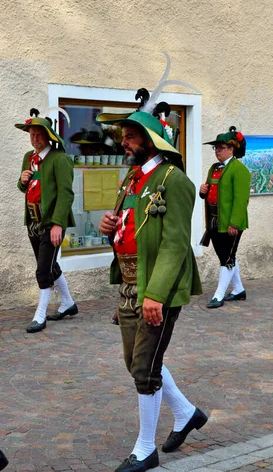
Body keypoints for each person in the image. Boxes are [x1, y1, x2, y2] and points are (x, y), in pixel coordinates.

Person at [98, 93, 205, 472]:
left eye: (129, 136)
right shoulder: (133, 177)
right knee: (137, 363)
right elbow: (129, 226)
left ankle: (146, 448)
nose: (123, 142)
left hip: (156, 288)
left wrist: (156, 294)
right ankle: (187, 413)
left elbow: (176, 242)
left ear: (150, 138)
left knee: (144, 369)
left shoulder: (174, 181)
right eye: (123, 136)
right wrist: (109, 228)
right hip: (128, 283)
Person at [15, 108, 78, 333]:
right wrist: (22, 181)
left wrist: (58, 224)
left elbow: (66, 194)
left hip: (51, 222)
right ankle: (68, 303)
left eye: (39, 135)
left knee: (43, 270)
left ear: (48, 135)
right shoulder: (28, 158)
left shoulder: (60, 159)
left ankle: (39, 315)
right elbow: (26, 188)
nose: (35, 139)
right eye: (31, 135)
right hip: (32, 220)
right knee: (50, 265)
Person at [200, 127, 251, 308]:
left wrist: (235, 223)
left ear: (232, 149)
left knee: (226, 257)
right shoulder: (214, 168)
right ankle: (238, 290)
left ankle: (219, 295)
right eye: (216, 148)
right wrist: (202, 191)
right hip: (214, 221)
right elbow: (210, 190)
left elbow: (241, 200)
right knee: (226, 256)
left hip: (230, 223)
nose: (217, 151)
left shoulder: (240, 170)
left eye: (221, 147)